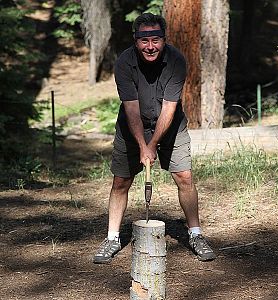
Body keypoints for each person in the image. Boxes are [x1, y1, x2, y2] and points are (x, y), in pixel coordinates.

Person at [93, 13, 216, 263]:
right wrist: (142, 144)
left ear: (164, 39)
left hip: (170, 126)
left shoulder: (176, 61)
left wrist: (152, 145)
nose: (150, 46)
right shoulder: (124, 63)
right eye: (144, 40)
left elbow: (170, 107)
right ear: (135, 40)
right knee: (120, 182)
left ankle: (195, 234)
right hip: (131, 127)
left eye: (156, 39)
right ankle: (112, 237)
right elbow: (131, 108)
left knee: (185, 177)